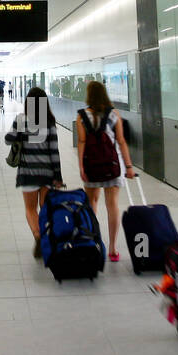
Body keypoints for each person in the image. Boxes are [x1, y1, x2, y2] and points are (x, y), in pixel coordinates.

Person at [75, 80, 135, 263]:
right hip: (112, 165)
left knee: (92, 202)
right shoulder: (114, 114)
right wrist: (129, 166)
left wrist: (81, 167)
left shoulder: (81, 116)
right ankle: (113, 248)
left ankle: (94, 242)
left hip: (91, 165)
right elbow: (121, 141)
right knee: (113, 205)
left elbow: (82, 142)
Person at [6, 87, 64, 257]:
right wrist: (58, 176)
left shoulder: (21, 120)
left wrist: (19, 135)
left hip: (27, 172)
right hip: (47, 172)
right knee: (45, 209)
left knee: (30, 209)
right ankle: (46, 238)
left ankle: (37, 235)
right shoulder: (50, 122)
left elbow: (8, 140)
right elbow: (54, 151)